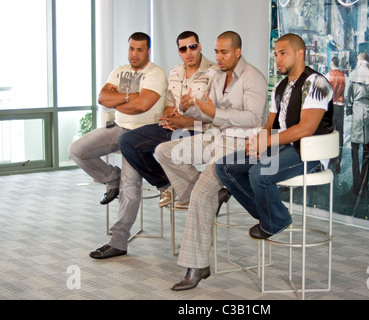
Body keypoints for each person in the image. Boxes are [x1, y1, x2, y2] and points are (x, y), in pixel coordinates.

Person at [155, 31, 267, 291]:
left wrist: (214, 112)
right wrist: (188, 106)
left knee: (201, 194)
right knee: (164, 151)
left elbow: (253, 119)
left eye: (224, 52)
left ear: (238, 52)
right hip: (216, 137)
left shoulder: (254, 78)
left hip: (240, 146)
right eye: (216, 51)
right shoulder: (217, 75)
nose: (218, 57)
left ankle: (197, 266)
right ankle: (208, 195)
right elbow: (207, 113)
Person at [216, 33, 333, 242]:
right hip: (286, 149)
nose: (277, 59)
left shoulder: (317, 83)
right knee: (225, 166)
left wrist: (266, 142)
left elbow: (306, 128)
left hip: (311, 154)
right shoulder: (281, 87)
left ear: (300, 54)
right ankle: (271, 215)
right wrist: (256, 143)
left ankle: (276, 220)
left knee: (259, 174)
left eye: (283, 53)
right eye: (276, 54)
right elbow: (270, 126)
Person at [69, 32, 168, 259]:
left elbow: (142, 106)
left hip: (141, 135)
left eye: (140, 50)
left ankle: (118, 241)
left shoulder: (155, 74)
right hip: (117, 128)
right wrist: (128, 96)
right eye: (131, 48)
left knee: (130, 188)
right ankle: (112, 177)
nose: (134, 54)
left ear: (148, 51)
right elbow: (103, 99)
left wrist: (121, 98)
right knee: (77, 150)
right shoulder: (119, 70)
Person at [119, 31, 218, 207]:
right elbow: (170, 103)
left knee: (162, 150)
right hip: (176, 127)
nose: (189, 52)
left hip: (200, 130)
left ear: (200, 46)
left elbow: (215, 114)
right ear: (179, 51)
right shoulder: (175, 72)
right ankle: (166, 184)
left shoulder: (215, 72)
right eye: (183, 48)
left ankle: (197, 192)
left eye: (192, 47)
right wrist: (169, 117)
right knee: (127, 140)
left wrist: (185, 122)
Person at [344, 52, 369, 195]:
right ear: (368, 60)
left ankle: (356, 181)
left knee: (354, 148)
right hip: (368, 111)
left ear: (359, 60)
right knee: (367, 149)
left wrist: (349, 108)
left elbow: (347, 96)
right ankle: (365, 182)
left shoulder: (353, 75)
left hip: (357, 109)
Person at [326, 56, 346, 173]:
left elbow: (326, 93)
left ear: (332, 63)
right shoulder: (344, 76)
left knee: (330, 132)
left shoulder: (328, 76)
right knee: (340, 134)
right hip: (340, 107)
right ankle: (338, 160)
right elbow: (347, 94)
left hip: (331, 107)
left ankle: (330, 159)